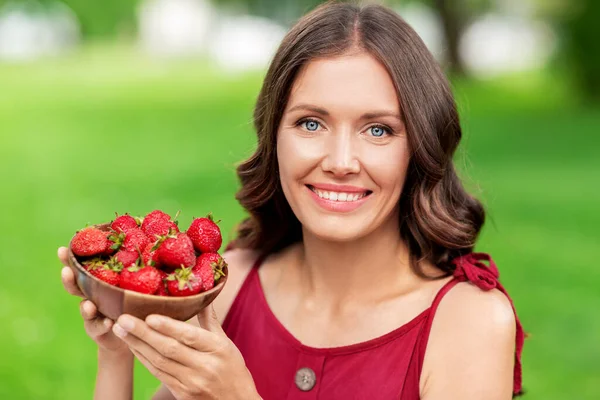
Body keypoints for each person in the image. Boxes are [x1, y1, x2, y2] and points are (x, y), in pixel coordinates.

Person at [58, 1, 525, 399]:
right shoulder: (229, 285)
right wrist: (116, 350)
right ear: (274, 136)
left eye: (378, 129)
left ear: (419, 149)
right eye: (311, 124)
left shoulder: (469, 322)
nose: (340, 161)